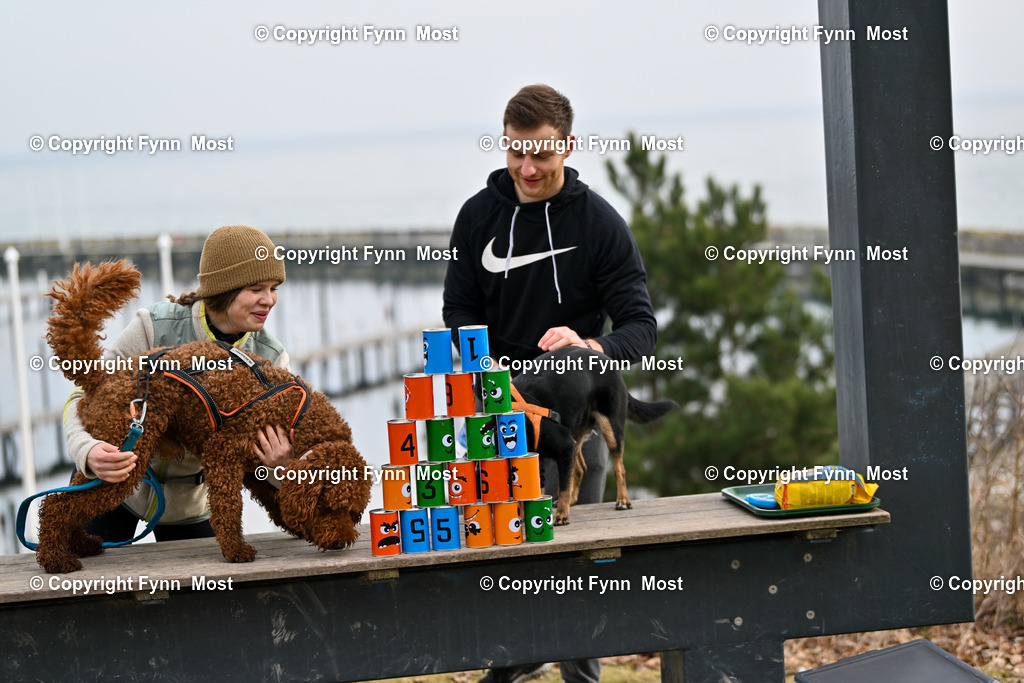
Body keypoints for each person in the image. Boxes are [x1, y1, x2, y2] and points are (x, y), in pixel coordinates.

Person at [443, 84, 657, 683]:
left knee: (572, 562)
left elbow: (640, 326)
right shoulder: (477, 216)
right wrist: (480, 358)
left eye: (540, 153)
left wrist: (592, 347)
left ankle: (579, 674)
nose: (527, 168)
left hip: (568, 419)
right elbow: (457, 309)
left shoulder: (599, 223)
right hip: (497, 406)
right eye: (515, 152)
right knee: (503, 553)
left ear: (567, 145)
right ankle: (513, 663)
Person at [62, 224, 295, 542]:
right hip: (113, 480)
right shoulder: (154, 327)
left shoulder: (272, 358)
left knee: (199, 591)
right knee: (81, 584)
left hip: (191, 507)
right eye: (256, 288)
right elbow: (85, 394)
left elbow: (280, 464)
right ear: (224, 288)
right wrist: (86, 452)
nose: (269, 300)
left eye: (274, 288)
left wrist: (283, 467)